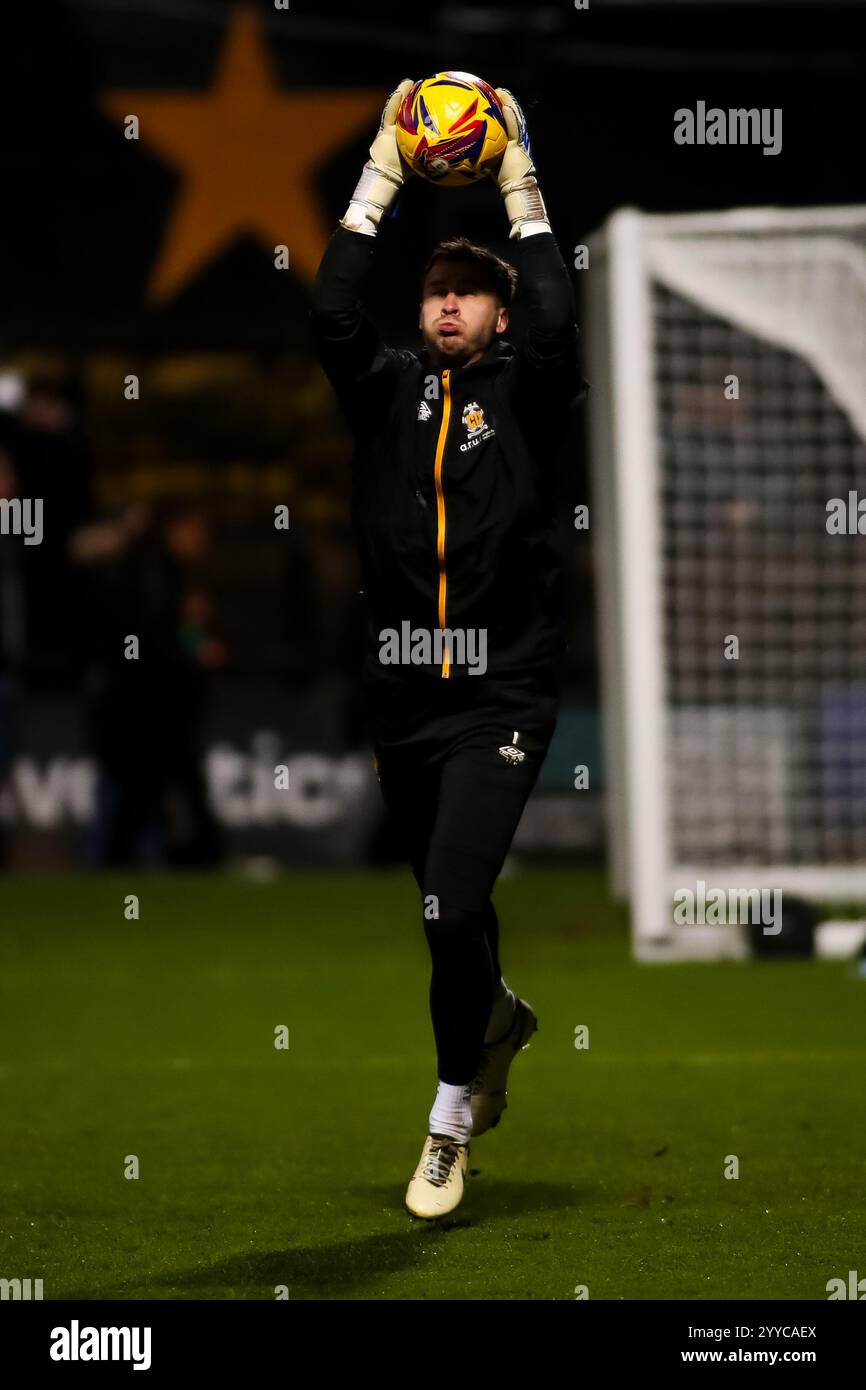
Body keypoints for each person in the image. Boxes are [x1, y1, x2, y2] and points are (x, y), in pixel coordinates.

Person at [309, 79, 587, 1218]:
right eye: (434, 290)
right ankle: (498, 1020)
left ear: (498, 315)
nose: (445, 306)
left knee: (457, 897)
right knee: (441, 911)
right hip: (401, 697)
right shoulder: (384, 394)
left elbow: (562, 313)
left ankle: (445, 1121)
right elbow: (332, 313)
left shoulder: (527, 390)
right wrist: (380, 170)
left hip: (501, 689)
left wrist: (516, 171)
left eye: (469, 292)